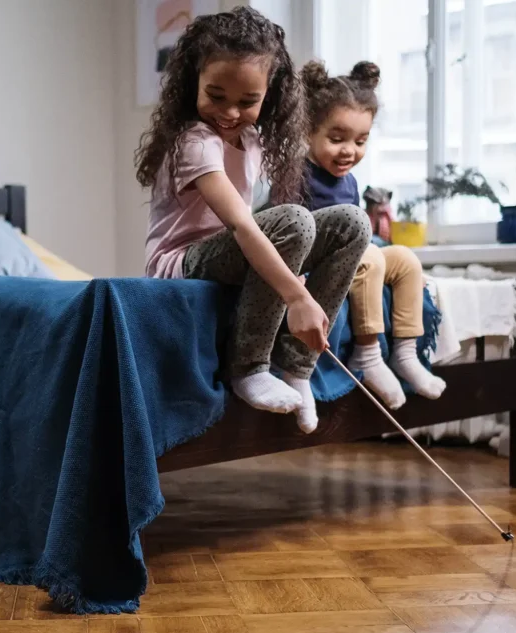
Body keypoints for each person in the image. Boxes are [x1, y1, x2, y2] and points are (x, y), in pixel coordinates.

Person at [137, 6, 370, 433]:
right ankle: (248, 367)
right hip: (182, 262)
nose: (229, 112)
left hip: (229, 251)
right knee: (293, 222)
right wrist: (295, 295)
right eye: (216, 95)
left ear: (270, 94)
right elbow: (246, 225)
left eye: (248, 101)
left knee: (351, 222)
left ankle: (297, 367)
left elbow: (272, 221)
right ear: (194, 84)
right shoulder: (195, 141)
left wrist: (289, 269)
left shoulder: (254, 140)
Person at [301, 59, 446, 408]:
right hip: (323, 263)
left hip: (354, 254)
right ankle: (367, 355)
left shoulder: (349, 181)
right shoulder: (298, 176)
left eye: (360, 140)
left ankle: (406, 353)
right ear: (308, 131)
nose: (350, 150)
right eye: (337, 139)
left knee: (405, 259)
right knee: (368, 258)